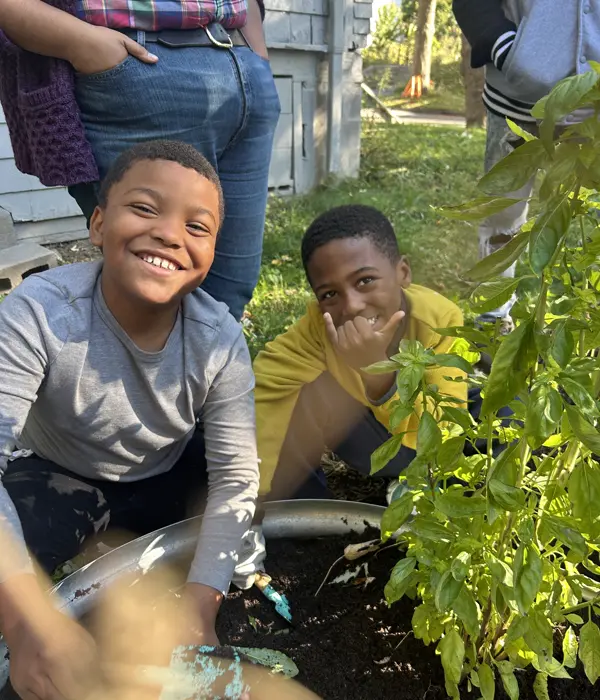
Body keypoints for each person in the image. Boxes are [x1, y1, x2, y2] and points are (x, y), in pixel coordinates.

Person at [0, 140, 259, 700]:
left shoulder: (219, 340)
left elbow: (236, 475)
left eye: (198, 226)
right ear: (97, 223)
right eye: (144, 208)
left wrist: (200, 606)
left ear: (214, 250)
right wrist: (25, 626)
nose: (169, 234)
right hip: (61, 472)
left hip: (167, 471)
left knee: (242, 522)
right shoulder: (39, 312)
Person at [0, 0, 280, 322]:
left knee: (229, 298)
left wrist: (257, 55)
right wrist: (80, 42)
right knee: (152, 297)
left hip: (240, 61)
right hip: (137, 70)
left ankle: (212, 371)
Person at [252, 205, 469, 502]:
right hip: (372, 451)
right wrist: (251, 494)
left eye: (365, 280)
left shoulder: (439, 321)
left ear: (402, 272)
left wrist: (377, 371)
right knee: (304, 394)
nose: (351, 306)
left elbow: (442, 431)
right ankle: (303, 512)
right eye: (330, 294)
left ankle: (439, 494)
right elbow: (264, 392)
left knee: (507, 413)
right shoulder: (318, 331)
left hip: (432, 452)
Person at [453, 0, 600, 325]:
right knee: (502, 213)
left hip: (596, 108)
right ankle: (493, 318)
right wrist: (512, 54)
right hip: (516, 102)